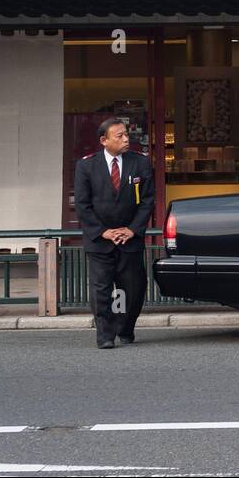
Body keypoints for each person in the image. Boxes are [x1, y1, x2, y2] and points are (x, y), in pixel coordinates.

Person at [73, 117, 154, 349]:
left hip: (130, 239)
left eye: (126, 134)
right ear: (104, 140)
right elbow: (82, 205)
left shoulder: (140, 163)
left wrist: (132, 229)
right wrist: (103, 232)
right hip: (100, 241)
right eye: (119, 136)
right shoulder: (86, 166)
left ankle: (126, 328)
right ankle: (105, 335)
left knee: (135, 288)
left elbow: (147, 201)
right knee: (101, 290)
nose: (126, 139)